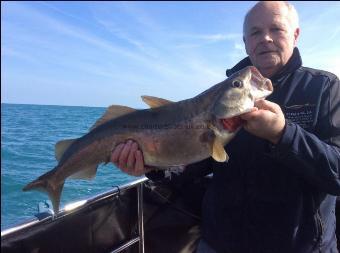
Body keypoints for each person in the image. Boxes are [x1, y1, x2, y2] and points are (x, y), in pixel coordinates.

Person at [111, 1, 340, 252]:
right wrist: (153, 165)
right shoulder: (220, 97)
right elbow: (192, 168)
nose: (265, 38)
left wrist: (283, 134)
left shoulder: (324, 88)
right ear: (245, 42)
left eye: (276, 29)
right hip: (219, 244)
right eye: (255, 32)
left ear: (295, 35)